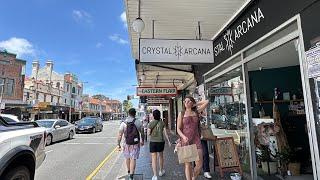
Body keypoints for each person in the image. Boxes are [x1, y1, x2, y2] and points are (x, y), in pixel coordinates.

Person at [177, 96, 209, 180]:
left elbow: (207, 102)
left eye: (188, 101)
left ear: (192, 102)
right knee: (188, 165)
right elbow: (178, 129)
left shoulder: (196, 112)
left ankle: (193, 177)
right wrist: (183, 137)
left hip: (196, 140)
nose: (186, 103)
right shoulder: (182, 113)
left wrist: (195, 104)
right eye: (185, 101)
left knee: (199, 164)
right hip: (185, 141)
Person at [117, 108, 145, 180]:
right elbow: (142, 132)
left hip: (126, 143)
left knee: (127, 158)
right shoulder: (138, 122)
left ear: (128, 113)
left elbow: (120, 134)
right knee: (133, 159)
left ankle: (129, 171)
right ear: (135, 114)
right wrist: (143, 141)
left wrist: (118, 144)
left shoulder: (123, 123)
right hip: (135, 144)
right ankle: (131, 175)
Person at [148, 110, 171, 180]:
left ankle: (155, 175)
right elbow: (165, 133)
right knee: (161, 156)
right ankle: (161, 171)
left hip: (152, 142)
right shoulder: (162, 123)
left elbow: (148, 133)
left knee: (153, 158)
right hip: (160, 142)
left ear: (154, 115)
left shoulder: (151, 123)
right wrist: (168, 141)